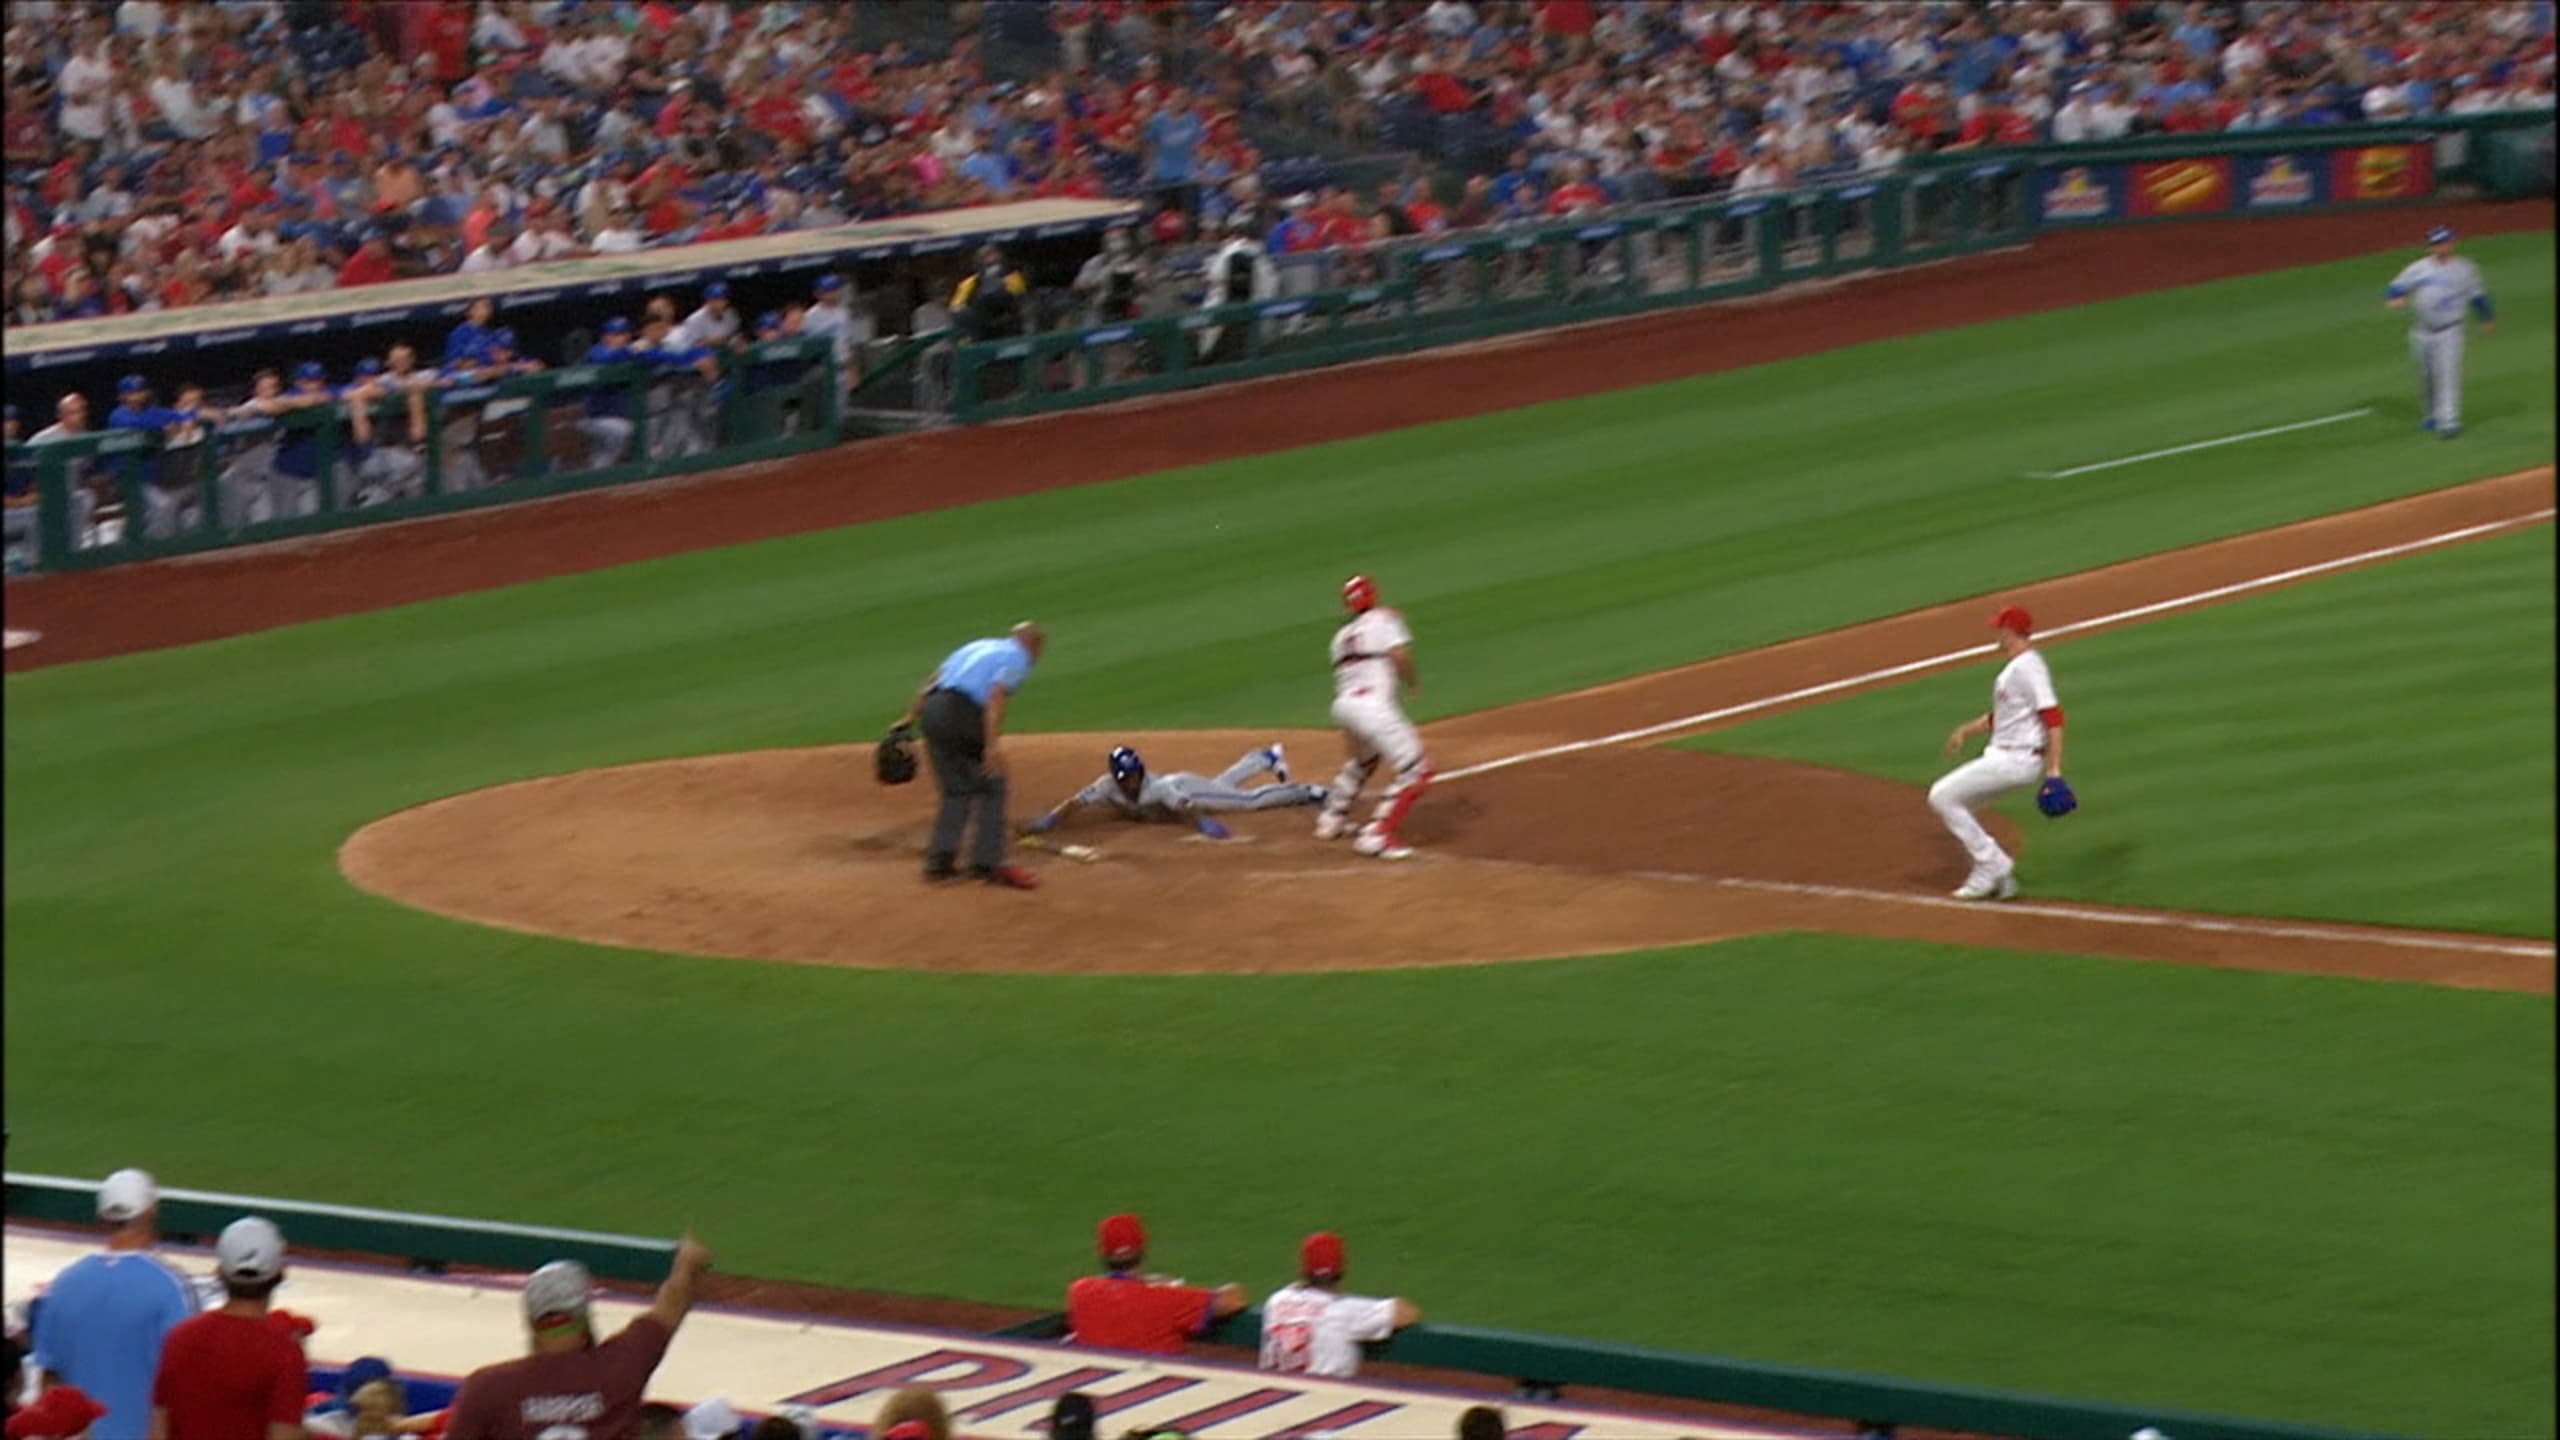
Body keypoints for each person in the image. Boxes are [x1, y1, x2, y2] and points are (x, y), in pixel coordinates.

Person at [439, 1231, 713, 1440]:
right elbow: (674, 1300)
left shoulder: (487, 1388)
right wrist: (689, 1261)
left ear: (531, 1322)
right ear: (584, 1317)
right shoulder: (623, 1364)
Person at [27, 1169, 196, 1440]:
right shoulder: (172, 1287)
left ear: (102, 1217)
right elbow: (190, 1383)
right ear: (152, 1212)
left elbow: (49, 1384)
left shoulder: (64, 1284)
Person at [1930, 605, 2069, 901]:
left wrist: (2054, 772)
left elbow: (2053, 718)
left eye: (1999, 629)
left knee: (1942, 796)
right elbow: (2008, 715)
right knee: (1960, 805)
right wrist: (1967, 730)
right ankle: (2000, 879)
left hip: (2015, 760)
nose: (1995, 634)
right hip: (2006, 757)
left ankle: (1992, 865)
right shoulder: (2017, 668)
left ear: (2009, 632)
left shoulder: (2028, 668)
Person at [894, 623, 1046, 888]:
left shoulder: (977, 646)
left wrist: (910, 717)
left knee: (956, 791)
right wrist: (991, 747)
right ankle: (987, 862)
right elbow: (995, 700)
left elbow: (932, 681)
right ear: (1033, 645)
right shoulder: (1018, 658)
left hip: (933, 712)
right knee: (994, 782)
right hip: (960, 715)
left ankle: (939, 863)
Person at [147, 1216, 307, 1440]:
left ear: (220, 1272)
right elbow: (284, 1435)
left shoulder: (180, 1338)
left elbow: (158, 1430)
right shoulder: (285, 1353)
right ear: (279, 1275)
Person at [1315, 575, 1432, 859]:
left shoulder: (1339, 638)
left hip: (1345, 706)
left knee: (1363, 760)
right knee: (1417, 769)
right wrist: (1412, 682)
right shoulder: (1385, 620)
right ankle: (1377, 834)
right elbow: (1399, 655)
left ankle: (1331, 818)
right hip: (1372, 706)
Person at [1025, 743, 1325, 839]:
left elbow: (1186, 806)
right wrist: (1050, 820)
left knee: (1246, 802)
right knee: (1222, 787)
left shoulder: (1158, 788)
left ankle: (1303, 791)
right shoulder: (1106, 786)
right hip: (1184, 786)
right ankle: (1264, 758)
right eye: (1126, 778)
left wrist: (1204, 823)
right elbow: (1077, 802)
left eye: (1134, 775)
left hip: (1185, 787)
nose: (1131, 782)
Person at [1064, 1213, 1247, 1356]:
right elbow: (1233, 1300)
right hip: (1154, 1387)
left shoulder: (1079, 1291)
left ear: (1102, 1252)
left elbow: (1115, 1292)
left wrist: (1140, 1284)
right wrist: (1166, 1287)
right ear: (1143, 1249)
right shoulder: (1166, 1298)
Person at [1257, 1232, 1420, 1379]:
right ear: (1342, 1270)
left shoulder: (1276, 1301)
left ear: (1303, 1270)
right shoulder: (1346, 1309)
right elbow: (1408, 1313)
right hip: (1322, 1398)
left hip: (1274, 1394)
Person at [2385, 225, 2495, 439]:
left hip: (2450, 331)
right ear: (2429, 247)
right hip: (2421, 331)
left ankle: (2449, 421)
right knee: (2427, 376)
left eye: (2444, 242)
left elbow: (2478, 296)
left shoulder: (2465, 269)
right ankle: (2432, 416)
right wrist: (2394, 298)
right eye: (2436, 244)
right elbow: (2396, 287)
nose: (2440, 247)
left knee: (2447, 374)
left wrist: (2486, 318)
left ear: (2453, 243)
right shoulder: (2418, 268)